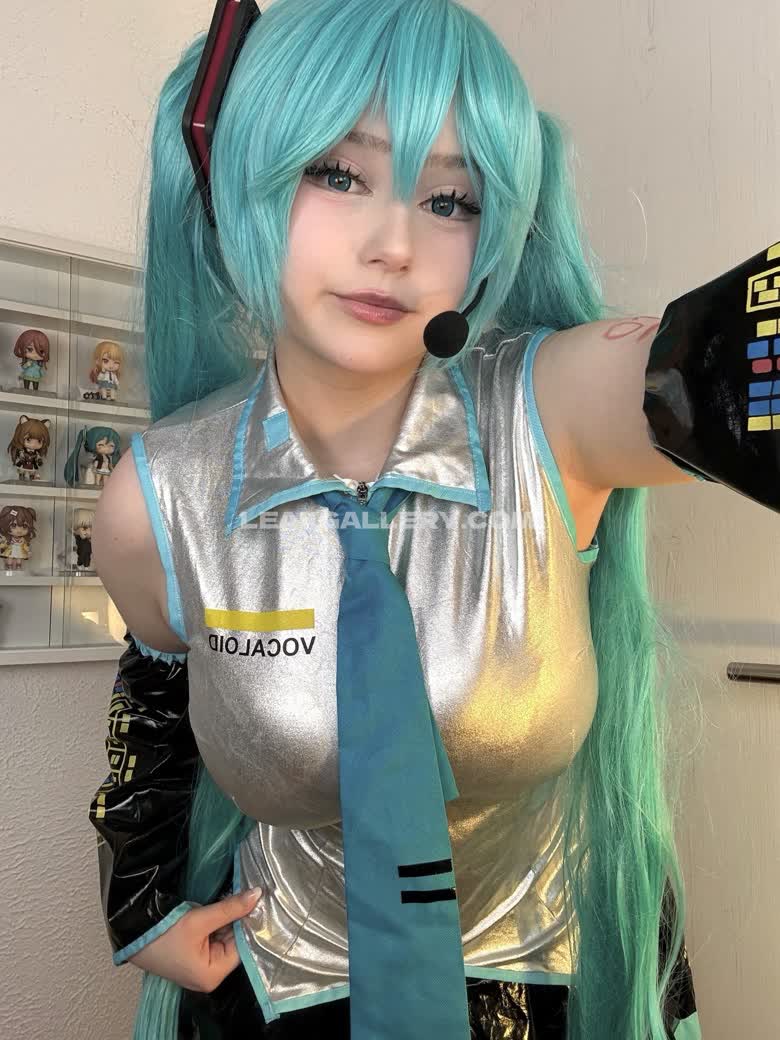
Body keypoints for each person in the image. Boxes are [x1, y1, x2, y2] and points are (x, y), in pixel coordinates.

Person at [84, 0, 767, 1036]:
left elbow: (717, 368)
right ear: (241, 173)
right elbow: (158, 692)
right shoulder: (159, 498)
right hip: (279, 989)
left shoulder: (550, 415)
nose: (394, 244)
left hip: (536, 988)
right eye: (337, 174)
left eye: (450, 200)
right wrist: (139, 901)